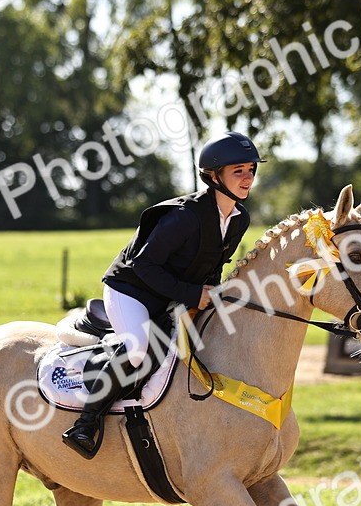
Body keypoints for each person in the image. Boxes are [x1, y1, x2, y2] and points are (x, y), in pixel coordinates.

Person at [62, 131, 264, 458]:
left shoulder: (239, 218)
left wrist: (212, 297)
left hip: (171, 295)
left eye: (251, 169)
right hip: (131, 290)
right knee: (139, 348)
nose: (247, 177)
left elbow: (212, 266)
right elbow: (143, 265)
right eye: (238, 170)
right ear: (214, 177)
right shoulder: (183, 217)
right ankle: (85, 424)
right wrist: (191, 294)